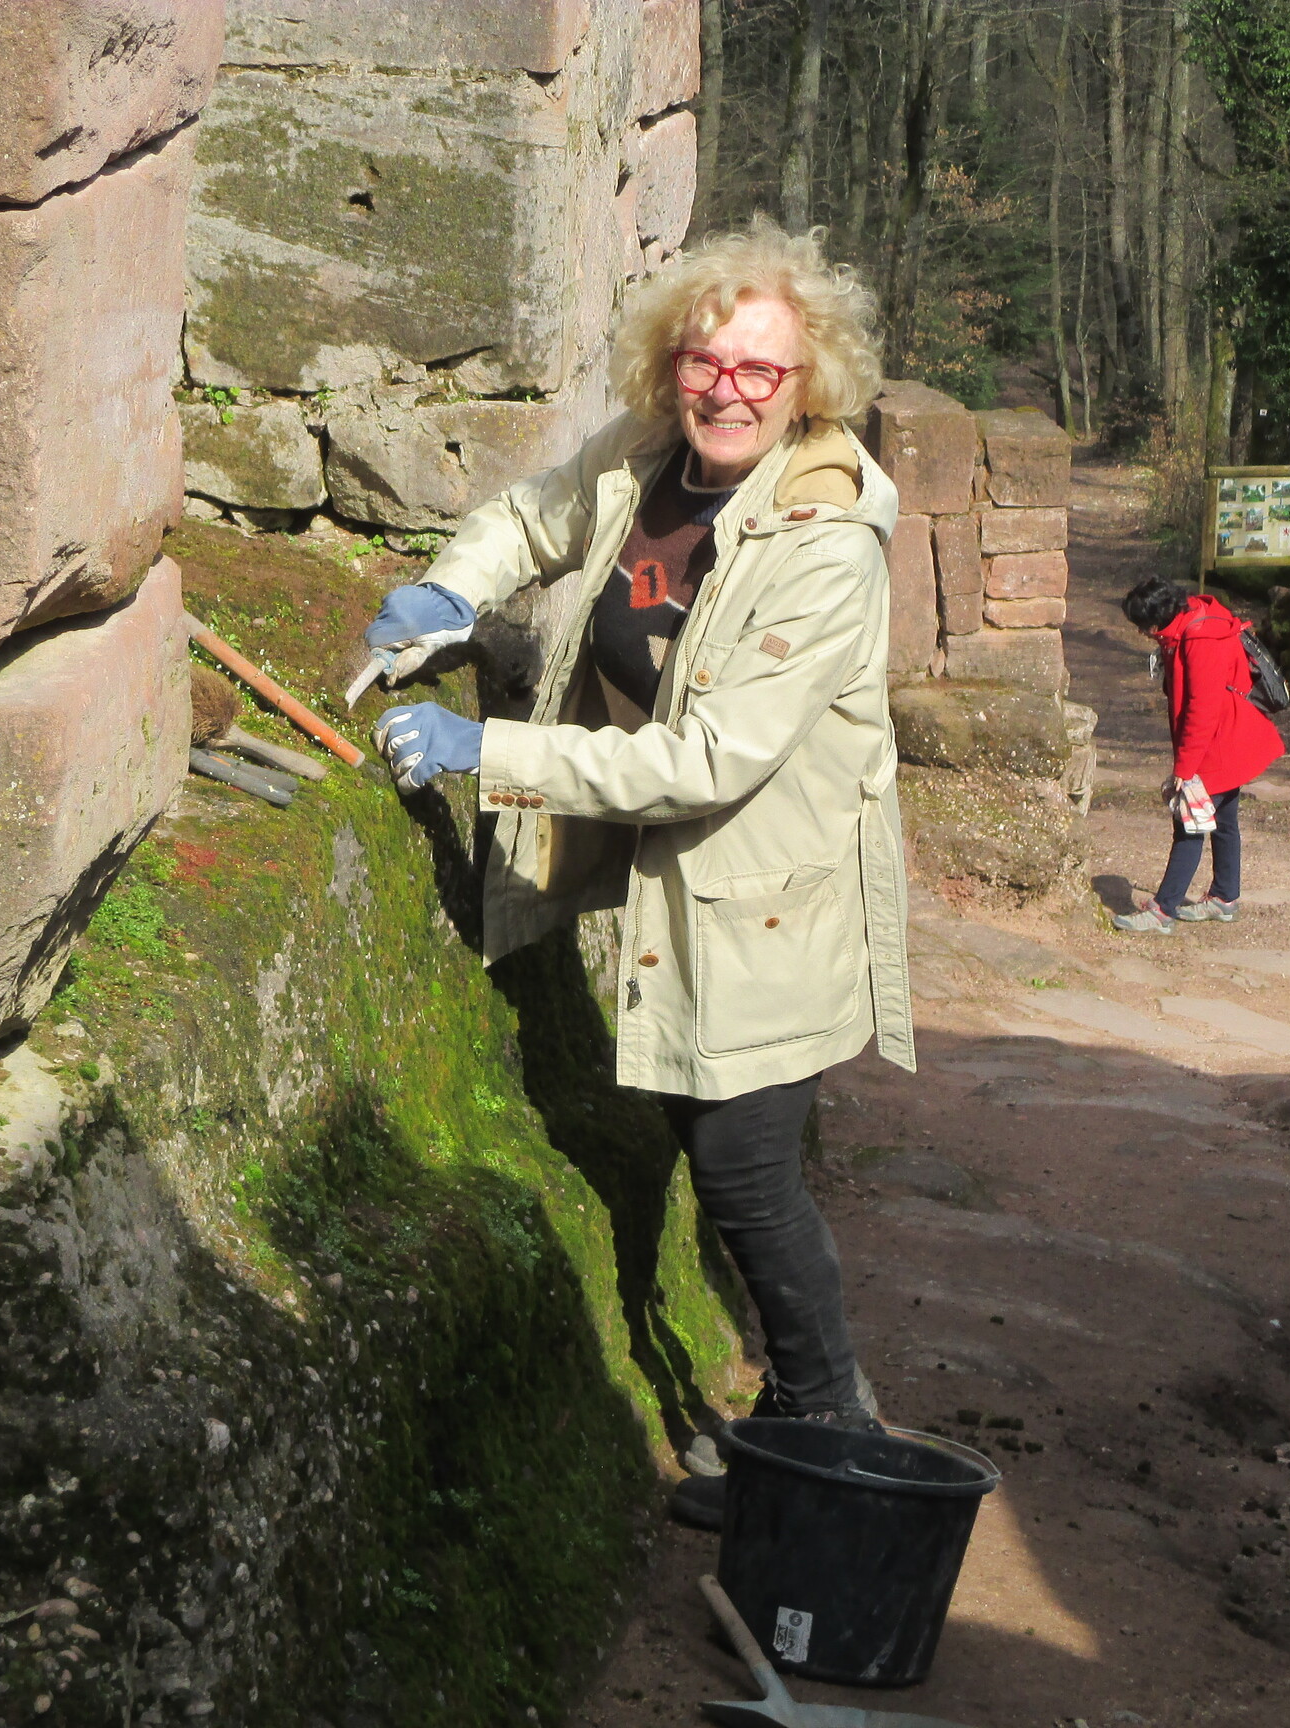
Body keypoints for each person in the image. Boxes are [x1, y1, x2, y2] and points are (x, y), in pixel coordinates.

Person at [361, 218, 914, 1529]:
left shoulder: (824, 545)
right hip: (680, 887)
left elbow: (710, 760)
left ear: (810, 383)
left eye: (760, 370)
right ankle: (814, 1419)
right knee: (714, 1148)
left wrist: (487, 751)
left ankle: (831, 1437)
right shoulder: (649, 454)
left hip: (766, 899)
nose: (726, 390)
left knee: (746, 1174)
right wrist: (448, 593)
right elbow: (532, 518)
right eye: (703, 360)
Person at [1113, 573, 1284, 932]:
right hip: (1233, 735)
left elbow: (1201, 710)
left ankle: (1163, 911)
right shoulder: (1196, 620)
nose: (1142, 633)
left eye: (1143, 626)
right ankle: (1224, 897)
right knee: (1224, 820)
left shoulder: (1200, 640)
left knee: (1188, 824)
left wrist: (1185, 769)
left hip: (1218, 743)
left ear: (1156, 620)